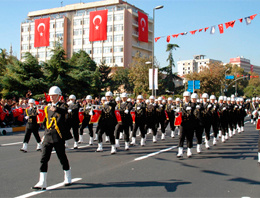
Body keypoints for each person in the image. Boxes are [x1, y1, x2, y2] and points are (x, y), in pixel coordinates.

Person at [32, 86, 73, 190]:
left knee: (62, 157)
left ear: (59, 96)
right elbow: (47, 122)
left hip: (58, 136)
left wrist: (57, 108)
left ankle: (67, 176)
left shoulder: (63, 105)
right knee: (43, 158)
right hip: (48, 136)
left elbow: (64, 111)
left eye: (54, 95)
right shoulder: (48, 107)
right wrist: (44, 135)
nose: (52, 97)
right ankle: (42, 181)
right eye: (50, 96)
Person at [177, 91, 194, 158]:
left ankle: (189, 150)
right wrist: (176, 113)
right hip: (182, 123)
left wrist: (192, 110)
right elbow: (177, 114)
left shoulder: (192, 105)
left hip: (190, 123)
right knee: (181, 137)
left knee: (189, 137)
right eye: (185, 97)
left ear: (189, 97)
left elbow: (195, 114)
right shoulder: (180, 104)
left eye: (187, 97)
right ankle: (180, 151)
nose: (186, 98)